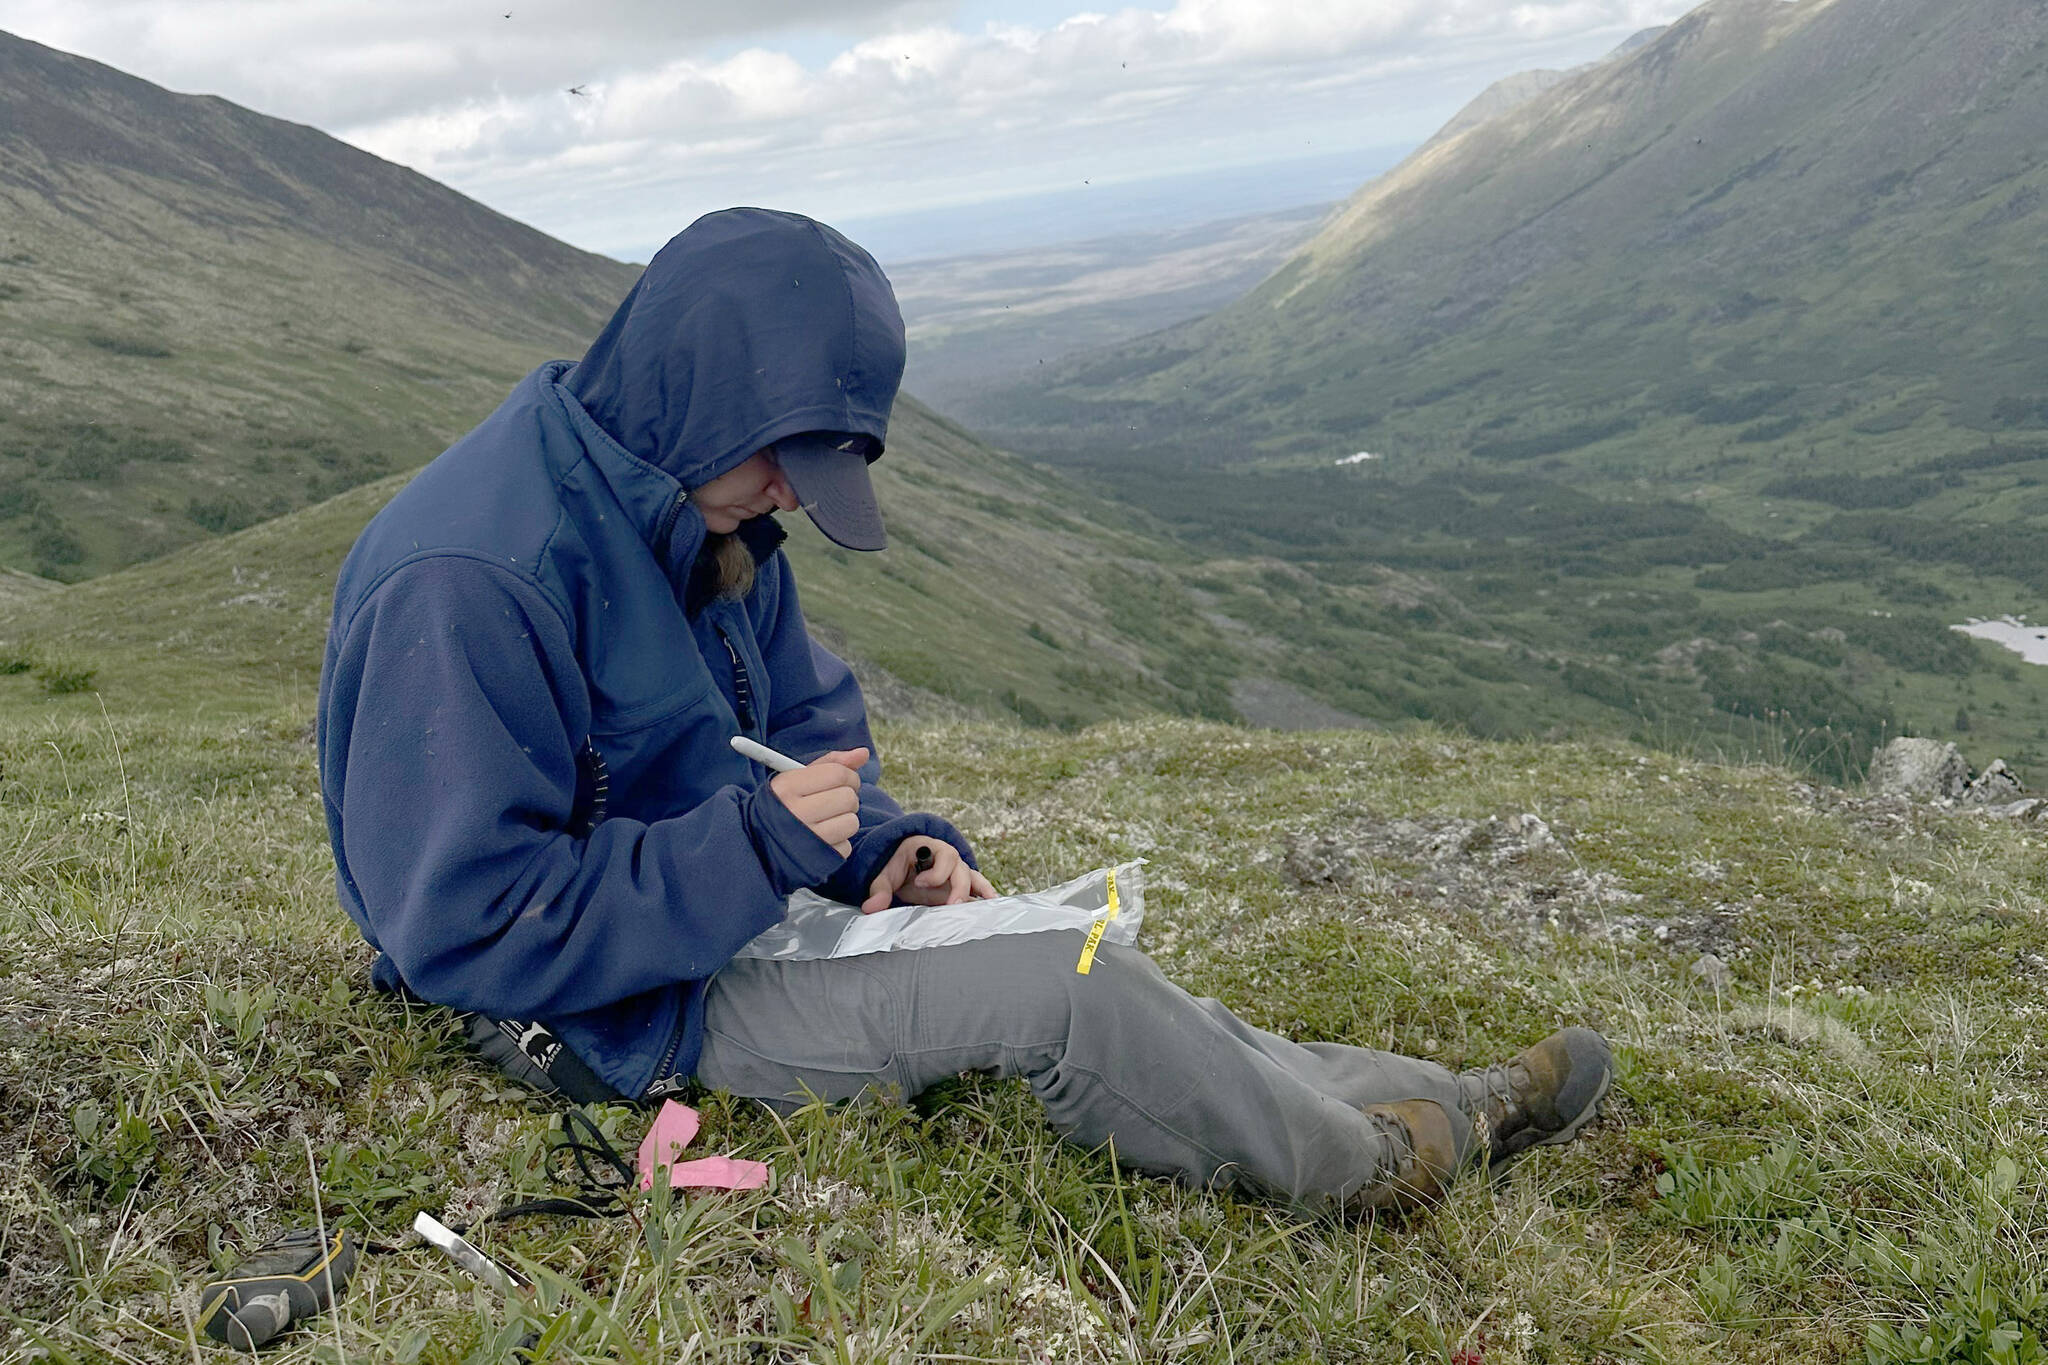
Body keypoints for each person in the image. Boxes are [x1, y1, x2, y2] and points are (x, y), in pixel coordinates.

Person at [316, 207, 1614, 1215]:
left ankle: (1453, 1099)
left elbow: (809, 737)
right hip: (612, 1007)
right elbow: (465, 925)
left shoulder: (706, 514)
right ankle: (1374, 1166)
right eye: (786, 457)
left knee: (1076, 945)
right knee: (1061, 983)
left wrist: (887, 845)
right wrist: (754, 854)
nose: (790, 498)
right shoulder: (474, 581)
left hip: (731, 920)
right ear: (704, 389)